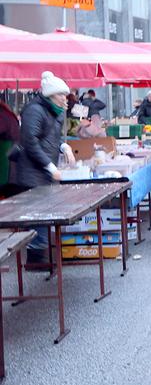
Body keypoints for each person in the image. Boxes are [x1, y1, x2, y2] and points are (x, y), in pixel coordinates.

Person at [13, 72, 74, 264]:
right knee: (36, 213)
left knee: (43, 211)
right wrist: (49, 166)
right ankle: (36, 257)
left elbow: (52, 137)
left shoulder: (54, 111)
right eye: (61, 94)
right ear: (50, 94)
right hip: (31, 172)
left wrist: (65, 146)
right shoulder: (34, 110)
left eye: (65, 94)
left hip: (44, 172)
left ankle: (41, 254)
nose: (65, 98)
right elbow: (30, 142)